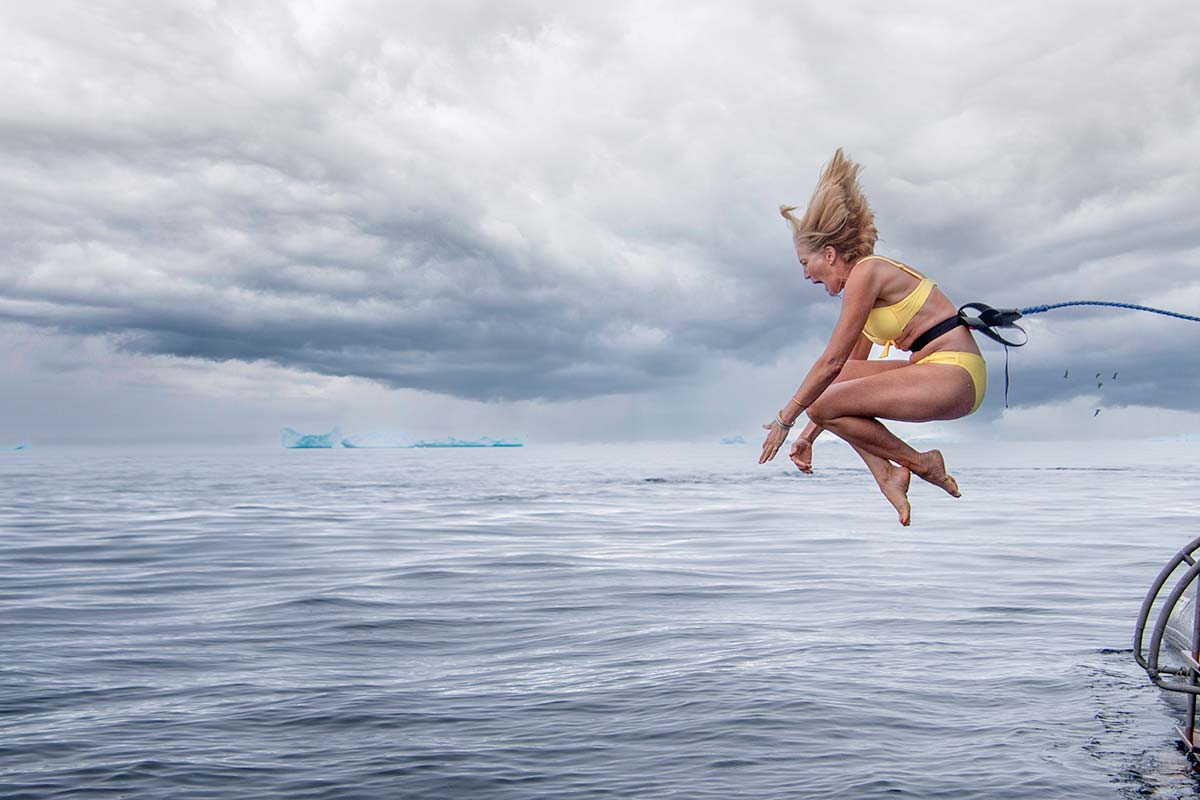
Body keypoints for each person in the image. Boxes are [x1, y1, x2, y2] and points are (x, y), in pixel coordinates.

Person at [759, 148, 987, 526]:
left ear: (829, 254)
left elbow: (829, 362)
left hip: (955, 375)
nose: (805, 276)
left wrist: (786, 422)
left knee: (820, 400)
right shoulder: (864, 290)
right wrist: (808, 437)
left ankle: (919, 463)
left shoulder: (867, 272)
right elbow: (844, 372)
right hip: (940, 373)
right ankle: (889, 475)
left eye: (805, 264)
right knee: (831, 394)